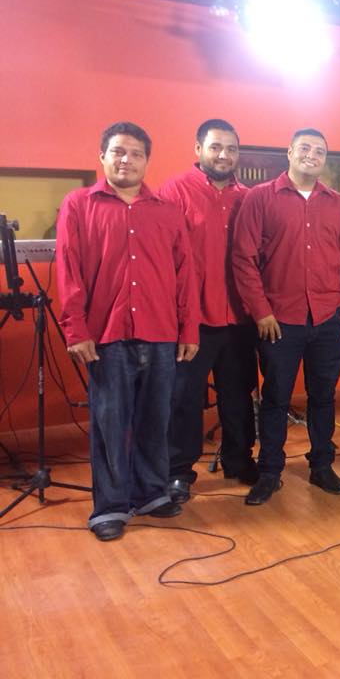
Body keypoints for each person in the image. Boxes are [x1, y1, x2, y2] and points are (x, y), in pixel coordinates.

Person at [56, 122, 199, 541]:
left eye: (136, 154)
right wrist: (76, 329)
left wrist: (188, 328)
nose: (127, 160)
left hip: (160, 331)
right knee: (111, 422)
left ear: (146, 161)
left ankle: (151, 493)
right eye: (118, 152)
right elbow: (68, 270)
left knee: (156, 419)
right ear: (102, 156)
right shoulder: (79, 205)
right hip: (106, 334)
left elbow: (185, 274)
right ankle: (111, 506)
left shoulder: (167, 211)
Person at [232, 128, 340, 505]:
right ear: (289, 152)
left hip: (328, 319)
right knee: (276, 397)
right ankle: (270, 471)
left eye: (319, 150)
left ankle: (321, 466)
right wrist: (261, 311)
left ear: (325, 159)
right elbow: (243, 260)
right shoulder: (260, 198)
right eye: (304, 148)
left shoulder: (338, 204)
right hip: (279, 320)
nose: (311, 154)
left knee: (323, 396)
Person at [160, 119, 259, 504]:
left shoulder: (248, 197)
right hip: (192, 319)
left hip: (238, 317)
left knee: (239, 394)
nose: (224, 155)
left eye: (231, 148)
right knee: (184, 398)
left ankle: (239, 459)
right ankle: (178, 471)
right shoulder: (174, 190)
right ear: (198, 149)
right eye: (216, 147)